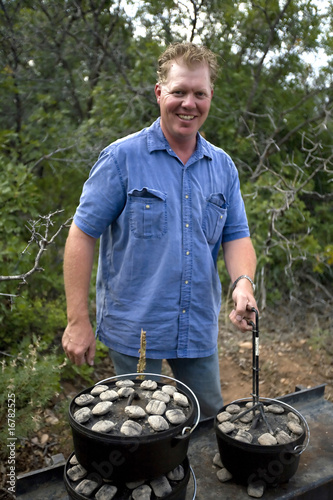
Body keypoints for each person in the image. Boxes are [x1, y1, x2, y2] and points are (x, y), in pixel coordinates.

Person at [62, 42, 257, 419]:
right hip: (134, 327)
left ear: (210, 96)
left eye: (199, 93)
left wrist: (243, 283)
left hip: (196, 324)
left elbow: (236, 235)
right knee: (140, 423)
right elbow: (82, 235)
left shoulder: (223, 167)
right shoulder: (122, 158)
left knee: (206, 419)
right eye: (179, 91)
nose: (189, 103)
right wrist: (77, 319)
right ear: (159, 93)